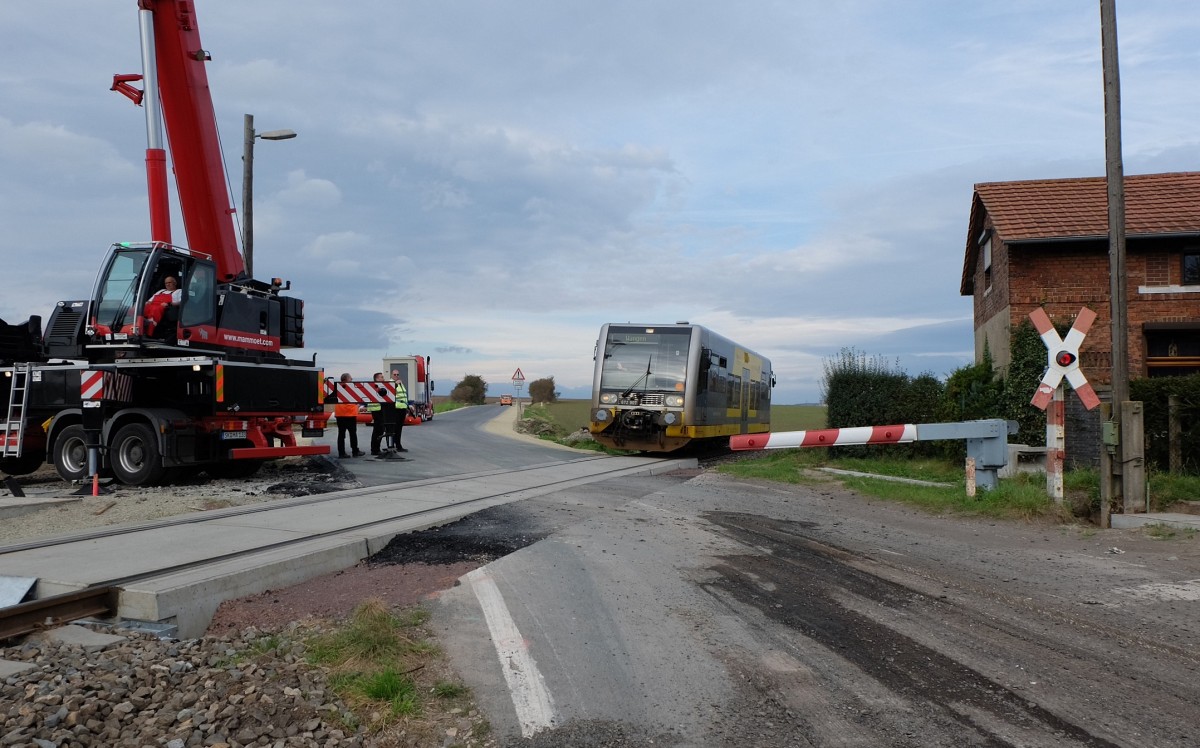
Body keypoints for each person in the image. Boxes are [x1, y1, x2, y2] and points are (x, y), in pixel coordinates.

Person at [333, 372, 365, 458]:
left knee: (341, 435)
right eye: (351, 378)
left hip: (340, 414)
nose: (352, 380)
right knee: (353, 434)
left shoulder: (336, 388)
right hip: (350, 414)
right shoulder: (351, 388)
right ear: (347, 379)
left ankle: (342, 453)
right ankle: (355, 451)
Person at [367, 372, 392, 455]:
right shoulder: (376, 387)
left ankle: (376, 449)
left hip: (378, 409)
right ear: (377, 379)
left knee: (379, 430)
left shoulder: (377, 387)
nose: (383, 379)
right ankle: (375, 449)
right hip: (377, 409)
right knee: (378, 430)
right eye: (381, 377)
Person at [391, 373, 409, 452]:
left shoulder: (401, 384)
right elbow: (390, 393)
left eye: (398, 374)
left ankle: (397, 444)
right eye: (394, 374)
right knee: (396, 428)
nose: (396, 376)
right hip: (396, 409)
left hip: (403, 408)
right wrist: (395, 384)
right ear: (391, 375)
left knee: (399, 428)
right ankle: (397, 445)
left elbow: (404, 396)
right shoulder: (390, 383)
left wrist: (407, 406)